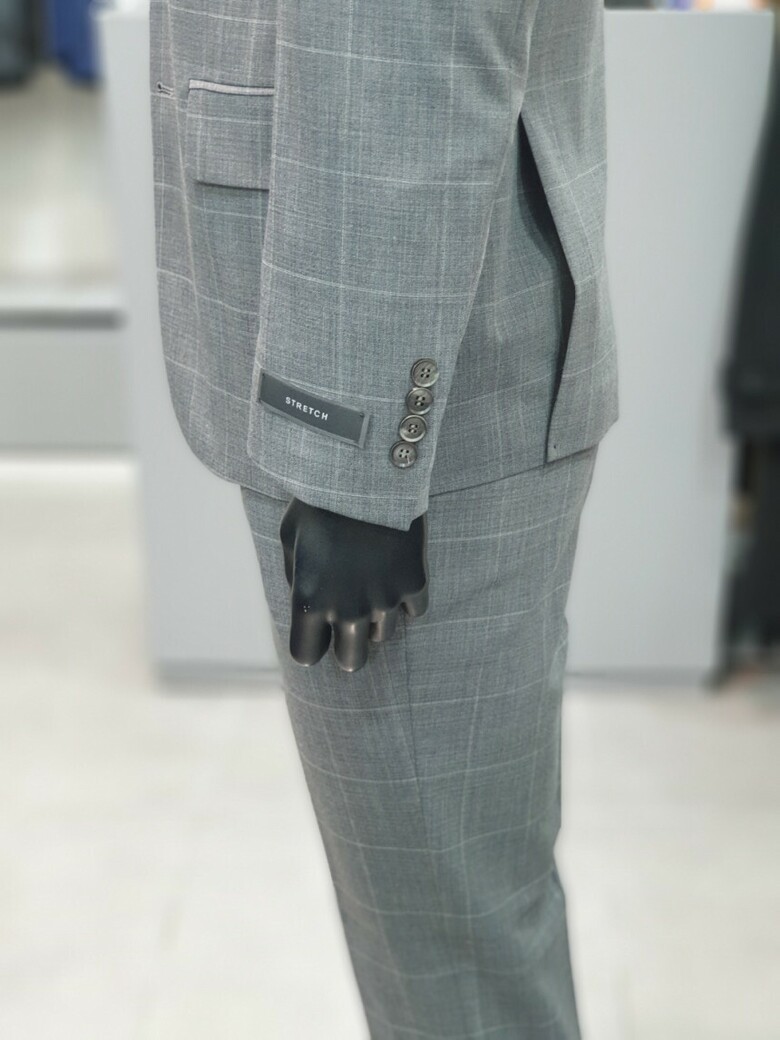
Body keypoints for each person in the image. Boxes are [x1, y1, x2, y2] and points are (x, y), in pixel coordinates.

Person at [149, 1, 619, 1035]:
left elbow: (404, 41)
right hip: (401, 319)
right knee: (445, 927)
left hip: (402, 377)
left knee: (450, 953)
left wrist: (353, 455)